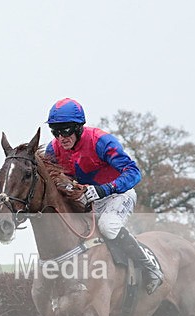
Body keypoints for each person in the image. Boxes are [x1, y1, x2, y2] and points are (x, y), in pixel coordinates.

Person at [44, 97, 164, 294]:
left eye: (66, 130)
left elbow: (134, 172)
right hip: (87, 198)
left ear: (78, 127)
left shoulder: (100, 141)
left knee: (107, 227)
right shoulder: (53, 149)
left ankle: (150, 267)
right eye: (56, 131)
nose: (61, 137)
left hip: (118, 194)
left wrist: (105, 189)